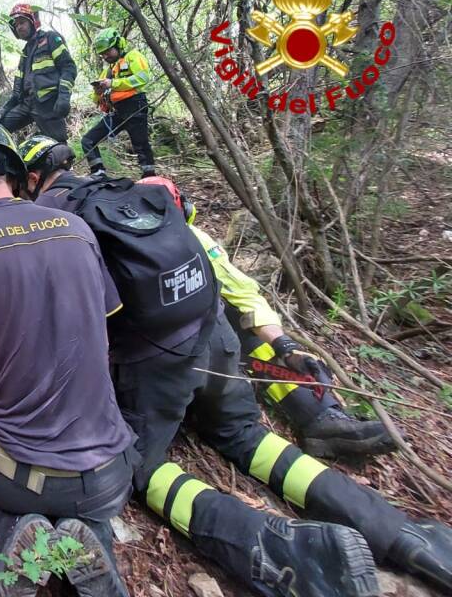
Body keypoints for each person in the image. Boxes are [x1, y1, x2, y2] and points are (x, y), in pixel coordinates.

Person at [22, 136, 452, 595]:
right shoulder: (131, 192)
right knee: (249, 437)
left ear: (32, 179)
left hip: (157, 364)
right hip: (216, 340)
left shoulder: (54, 219)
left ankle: (279, 552)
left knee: (139, 468)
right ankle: (403, 534)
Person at [0, 118, 137, 597]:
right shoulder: (77, 228)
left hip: (18, 478)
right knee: (83, 502)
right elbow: (101, 335)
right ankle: (89, 541)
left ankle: (9, 532)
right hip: (109, 473)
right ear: (18, 176)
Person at [137, 175, 395, 460]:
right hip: (188, 361)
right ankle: (318, 417)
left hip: (143, 372)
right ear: (181, 208)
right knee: (241, 324)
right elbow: (243, 294)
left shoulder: (110, 241)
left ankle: (321, 415)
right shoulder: (193, 239)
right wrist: (282, 344)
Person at [0, 4, 75, 143]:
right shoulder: (24, 53)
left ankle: (65, 164)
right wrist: (4, 109)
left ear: (32, 22)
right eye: (16, 25)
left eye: (22, 22)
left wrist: (63, 97)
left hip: (48, 103)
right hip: (26, 104)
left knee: (59, 145)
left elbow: (68, 67)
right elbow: (17, 92)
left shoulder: (50, 39)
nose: (19, 27)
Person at [81, 27, 156, 178]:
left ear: (117, 45)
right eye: (102, 53)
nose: (105, 56)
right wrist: (98, 92)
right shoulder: (108, 70)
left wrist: (113, 83)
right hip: (117, 111)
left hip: (135, 105)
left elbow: (143, 78)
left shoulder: (133, 56)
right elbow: (95, 98)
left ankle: (149, 176)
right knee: (88, 140)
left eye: (108, 51)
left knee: (140, 144)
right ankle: (98, 172)